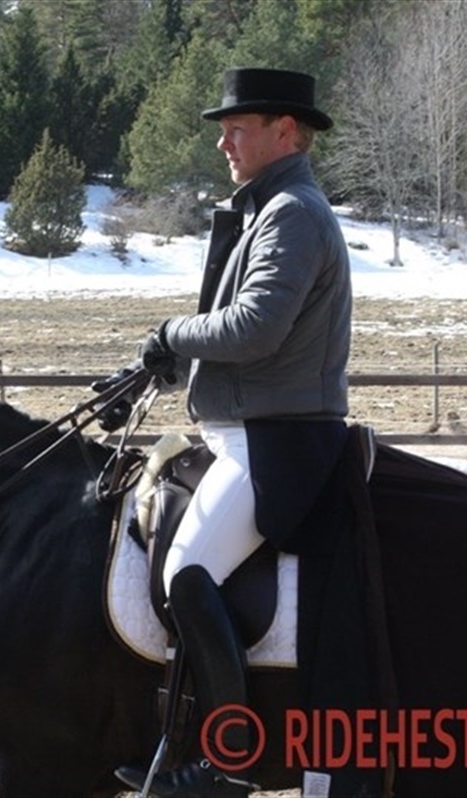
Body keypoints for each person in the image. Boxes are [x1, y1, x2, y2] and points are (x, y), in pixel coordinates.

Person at [104, 69, 352, 797]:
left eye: (237, 129)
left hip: (272, 442)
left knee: (187, 577)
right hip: (244, 430)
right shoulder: (268, 210)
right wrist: (157, 363)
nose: (223, 143)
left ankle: (231, 762)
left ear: (286, 131)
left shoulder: (292, 214)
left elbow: (254, 328)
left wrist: (169, 332)